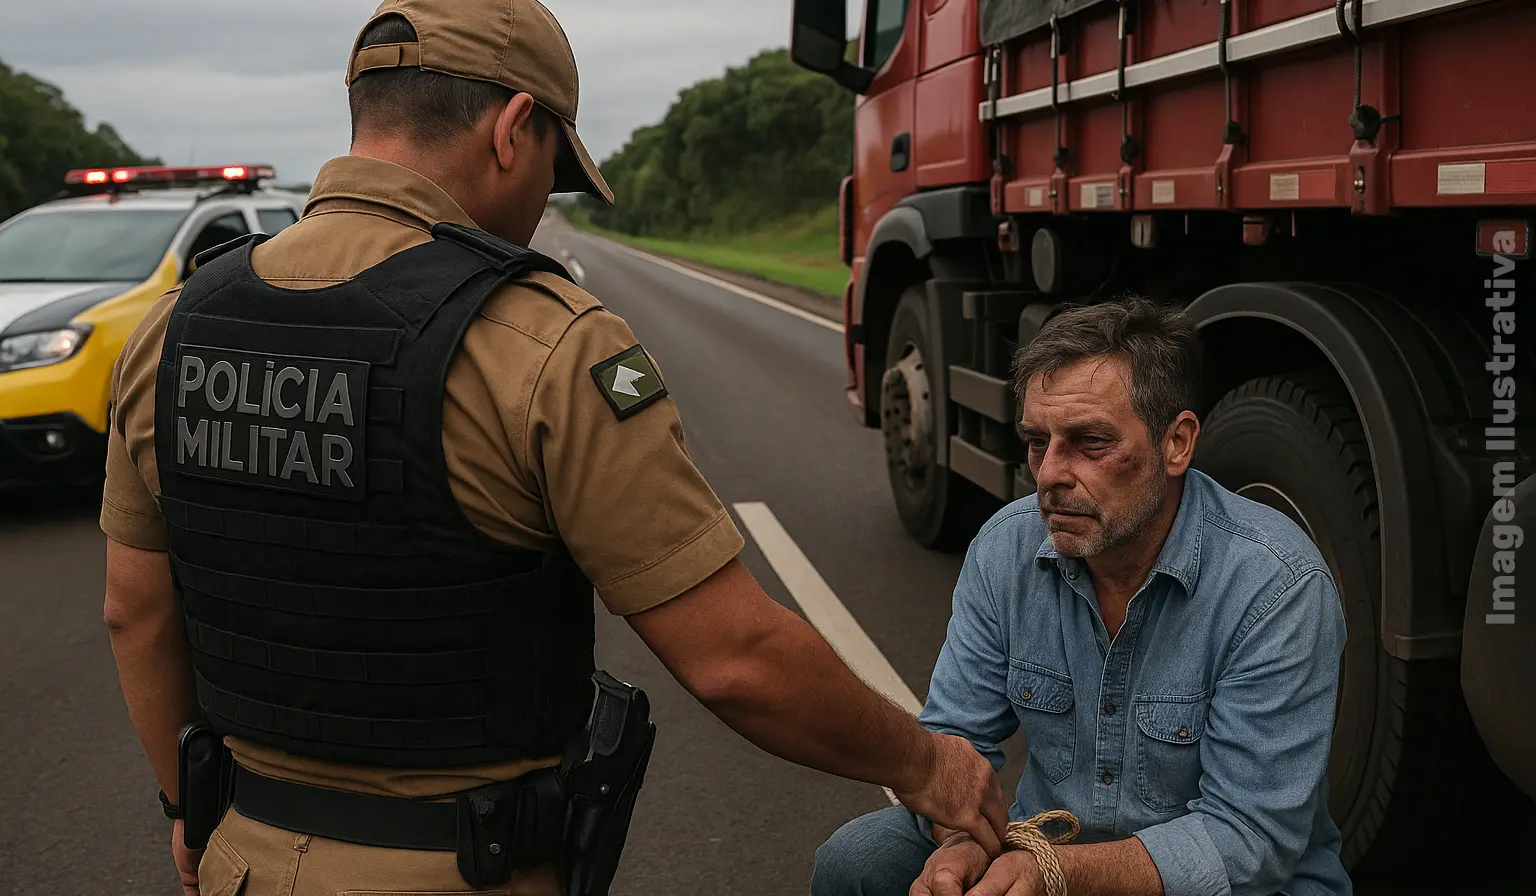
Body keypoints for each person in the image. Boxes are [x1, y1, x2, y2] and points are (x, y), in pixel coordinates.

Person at [99, 2, 1007, 894]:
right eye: (551, 171)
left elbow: (133, 613)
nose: (540, 208)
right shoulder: (543, 342)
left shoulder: (177, 324)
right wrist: (928, 766)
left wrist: (189, 806)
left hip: (241, 860)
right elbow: (735, 658)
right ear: (514, 127)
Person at [810, 298, 1352, 896]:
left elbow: (1251, 839)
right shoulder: (1006, 548)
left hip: (1222, 884)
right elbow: (953, 743)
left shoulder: (1276, 585)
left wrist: (1055, 875)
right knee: (857, 860)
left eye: (1090, 442)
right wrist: (959, 846)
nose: (1048, 475)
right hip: (1049, 856)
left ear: (1177, 443)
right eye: (1037, 441)